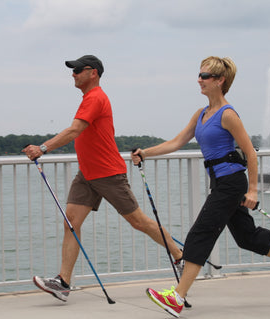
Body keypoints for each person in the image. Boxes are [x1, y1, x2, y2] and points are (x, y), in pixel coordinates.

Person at [132, 56, 270, 318]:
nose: (199, 80)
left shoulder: (228, 115)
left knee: (201, 233)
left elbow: (250, 153)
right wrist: (146, 153)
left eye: (205, 76)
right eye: (199, 75)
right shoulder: (201, 114)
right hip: (220, 182)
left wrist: (252, 191)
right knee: (246, 237)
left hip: (231, 183)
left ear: (220, 81)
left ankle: (177, 297)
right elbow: (176, 142)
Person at [22, 55, 184, 302]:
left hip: (109, 173)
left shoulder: (96, 97)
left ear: (93, 72)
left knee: (138, 222)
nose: (73, 74)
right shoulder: (88, 99)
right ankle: (63, 283)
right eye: (72, 70)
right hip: (87, 173)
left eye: (77, 70)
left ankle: (181, 257)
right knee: (71, 223)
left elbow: (75, 130)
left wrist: (42, 148)